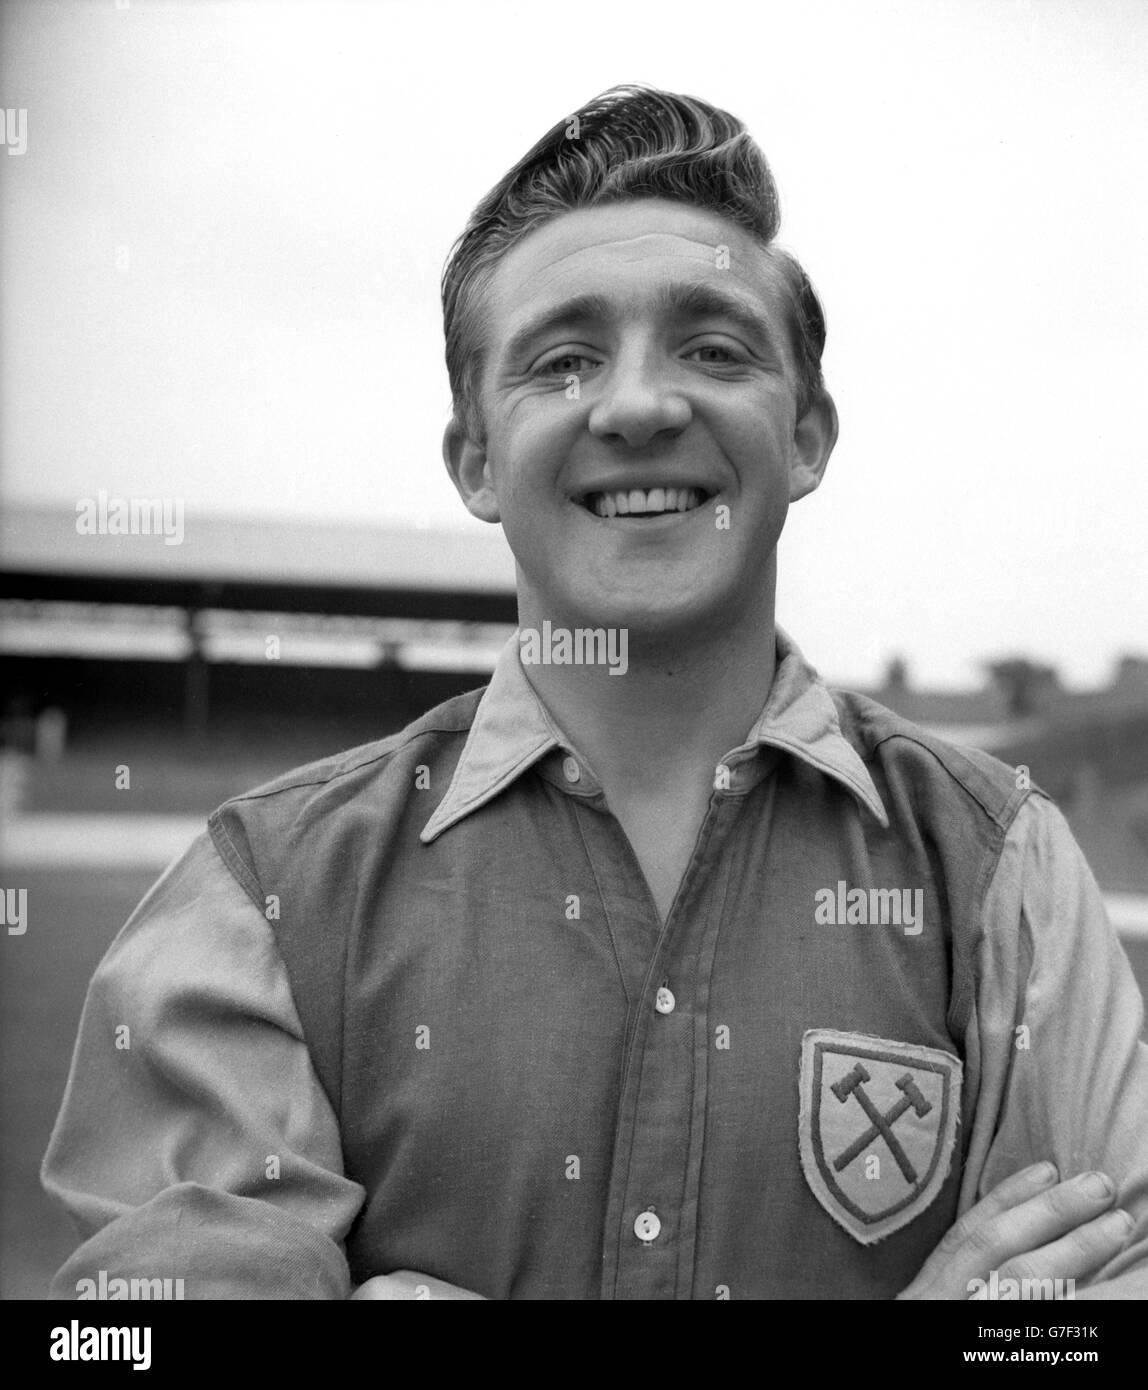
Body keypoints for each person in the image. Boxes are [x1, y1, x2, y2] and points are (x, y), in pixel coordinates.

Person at [43, 84, 1148, 1300]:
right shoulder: (255, 898)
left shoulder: (1005, 873)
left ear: (806, 435)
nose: (636, 405)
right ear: (473, 458)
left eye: (713, 349)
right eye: (563, 361)